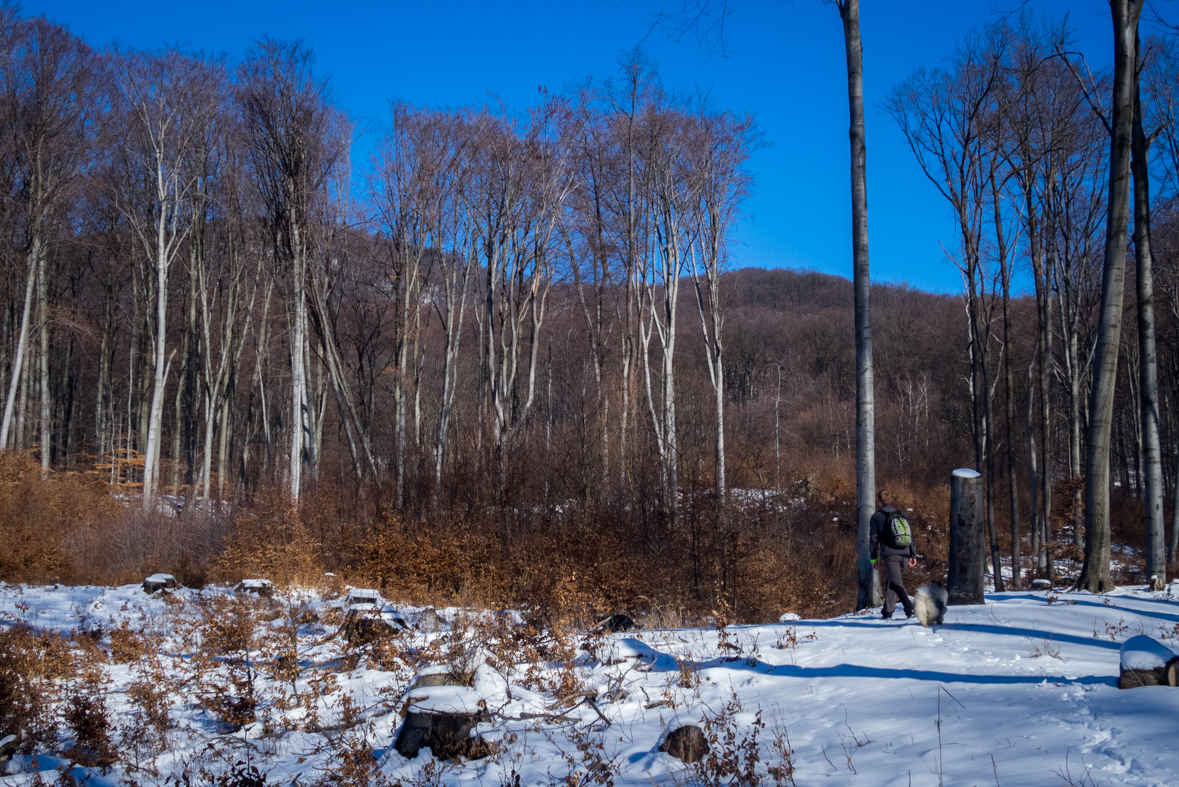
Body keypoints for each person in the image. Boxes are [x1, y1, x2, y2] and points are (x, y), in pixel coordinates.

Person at [869, 489, 916, 619]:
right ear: (890, 500)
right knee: (892, 580)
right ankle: (887, 611)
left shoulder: (876, 517)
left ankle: (909, 608)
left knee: (896, 583)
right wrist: (913, 555)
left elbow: (873, 540)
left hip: (891, 555)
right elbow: (911, 535)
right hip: (905, 553)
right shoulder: (901, 514)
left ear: (878, 501)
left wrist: (873, 559)